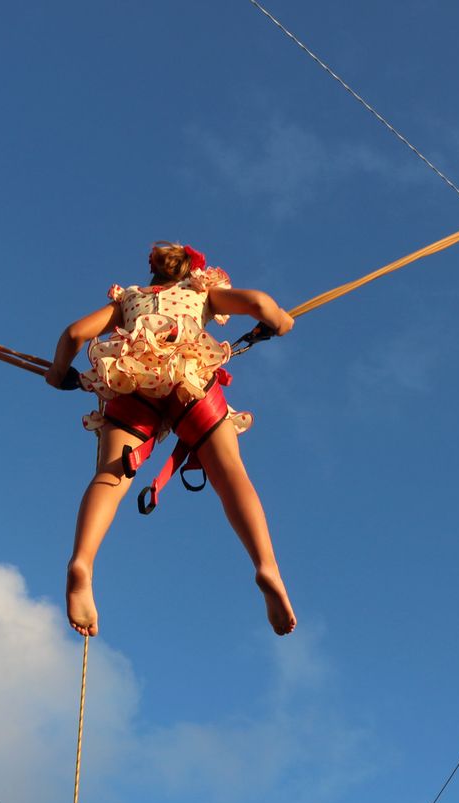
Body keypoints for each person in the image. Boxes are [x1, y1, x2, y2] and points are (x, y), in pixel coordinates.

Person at [46, 242, 297, 638]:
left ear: (154, 273)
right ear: (191, 272)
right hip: (189, 381)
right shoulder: (201, 294)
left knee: (111, 478)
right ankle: (266, 565)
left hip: (134, 380)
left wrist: (59, 372)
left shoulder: (128, 300)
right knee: (230, 476)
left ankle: (82, 562)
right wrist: (281, 322)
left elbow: (74, 333)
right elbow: (260, 303)